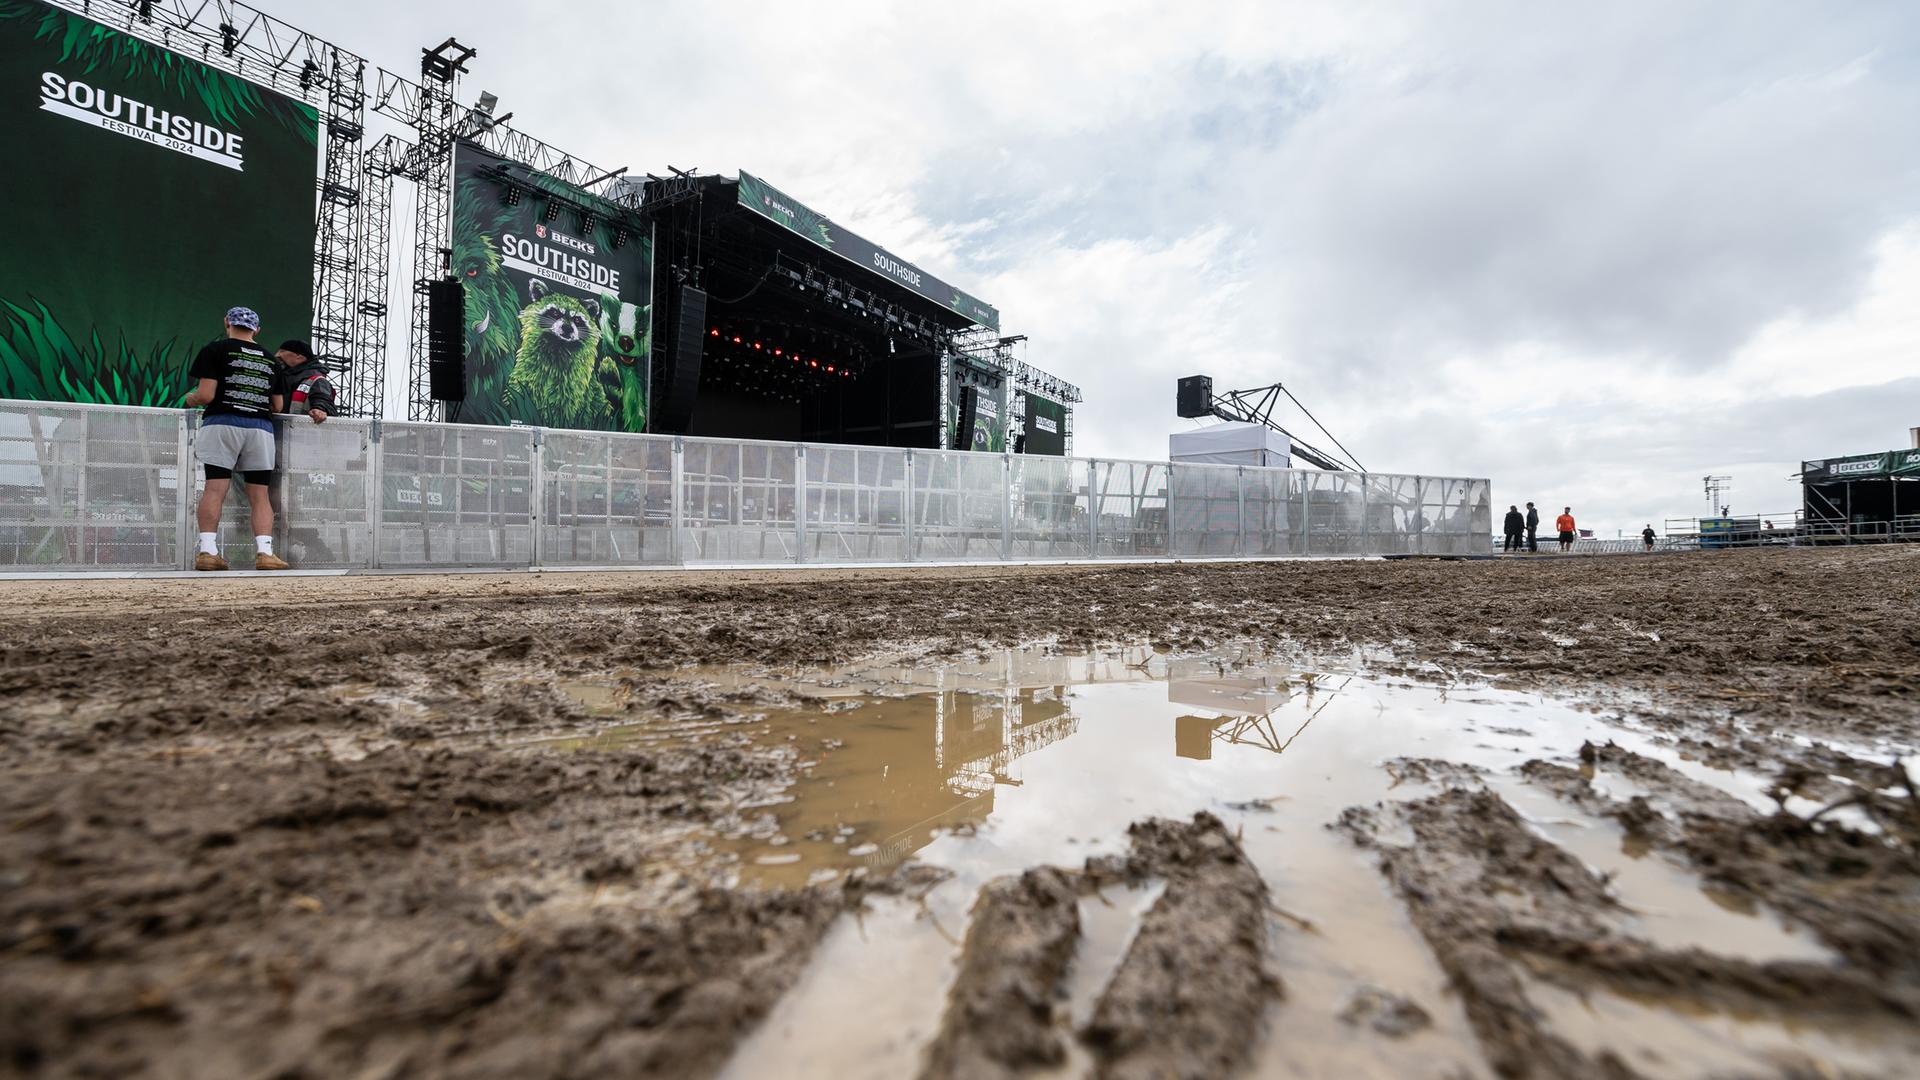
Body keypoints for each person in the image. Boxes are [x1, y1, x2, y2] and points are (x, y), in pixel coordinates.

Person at [184, 306, 288, 571]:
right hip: (260, 429)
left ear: (227, 322)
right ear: (257, 329)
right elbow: (277, 405)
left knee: (215, 489)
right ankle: (265, 553)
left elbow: (206, 395)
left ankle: (208, 552)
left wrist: (190, 398)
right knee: (259, 494)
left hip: (221, 423)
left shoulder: (215, 350)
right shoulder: (270, 359)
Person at [270, 340, 337, 563]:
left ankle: (311, 547)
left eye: (282, 355)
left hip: (294, 453)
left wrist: (320, 409)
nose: (277, 359)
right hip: (275, 448)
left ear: (299, 358)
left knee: (283, 502)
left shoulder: (315, 380)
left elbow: (324, 401)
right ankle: (291, 548)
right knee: (277, 502)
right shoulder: (281, 379)